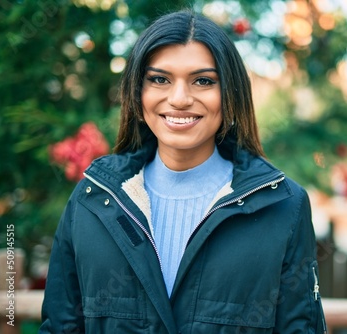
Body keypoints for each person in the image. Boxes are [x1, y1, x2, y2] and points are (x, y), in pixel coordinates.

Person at [40, 9, 327, 333]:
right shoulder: (91, 202)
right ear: (138, 91)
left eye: (203, 81)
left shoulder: (283, 207)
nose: (179, 99)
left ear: (230, 93)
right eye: (160, 79)